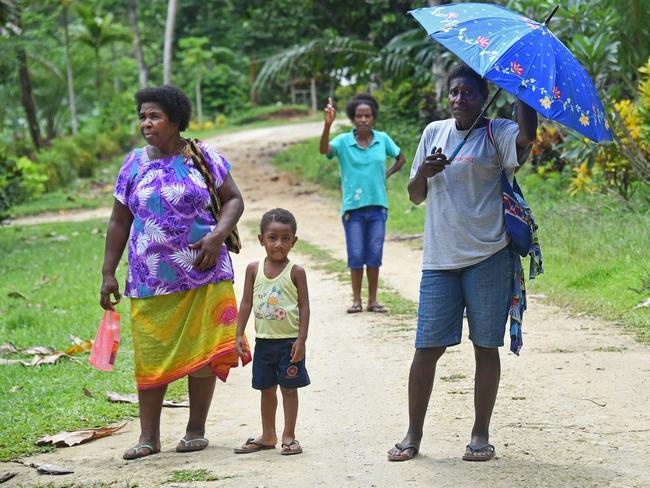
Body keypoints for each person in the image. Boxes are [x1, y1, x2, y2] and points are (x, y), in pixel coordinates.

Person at [387, 64, 538, 462]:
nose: (459, 99)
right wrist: (424, 170)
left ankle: (480, 434)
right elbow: (415, 195)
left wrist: (524, 93)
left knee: (485, 347)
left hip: (489, 256)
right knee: (426, 348)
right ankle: (412, 434)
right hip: (440, 260)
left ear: (483, 95)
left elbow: (527, 138)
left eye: (468, 93)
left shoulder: (497, 132)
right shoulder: (434, 133)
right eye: (454, 92)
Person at [100, 85, 251, 460]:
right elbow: (120, 221)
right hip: (150, 280)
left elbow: (234, 199)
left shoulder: (203, 156)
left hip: (206, 272)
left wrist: (217, 237)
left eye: (154, 116)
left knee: (202, 351)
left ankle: (195, 430)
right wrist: (108, 272)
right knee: (151, 354)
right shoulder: (133, 164)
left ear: (176, 120)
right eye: (142, 117)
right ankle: (148, 436)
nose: (146, 123)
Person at [319, 94, 406, 314]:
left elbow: (401, 158)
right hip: (352, 209)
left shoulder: (382, 139)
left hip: (378, 206)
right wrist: (327, 125)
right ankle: (356, 300)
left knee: (374, 254)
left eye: (367, 115)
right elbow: (324, 150)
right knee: (356, 254)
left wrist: (385, 174)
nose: (363, 119)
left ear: (374, 118)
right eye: (359, 116)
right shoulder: (343, 142)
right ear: (352, 119)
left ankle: (373, 301)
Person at [234, 208, 310, 456]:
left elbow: (304, 306)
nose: (279, 244)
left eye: (285, 238)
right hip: (264, 343)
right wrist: (238, 334)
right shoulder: (253, 269)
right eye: (272, 237)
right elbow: (246, 302)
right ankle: (268, 435)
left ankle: (289, 435)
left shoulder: (296, 272)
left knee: (289, 389)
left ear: (294, 241)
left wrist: (302, 339)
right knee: (266, 390)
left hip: (289, 344)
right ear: (261, 239)